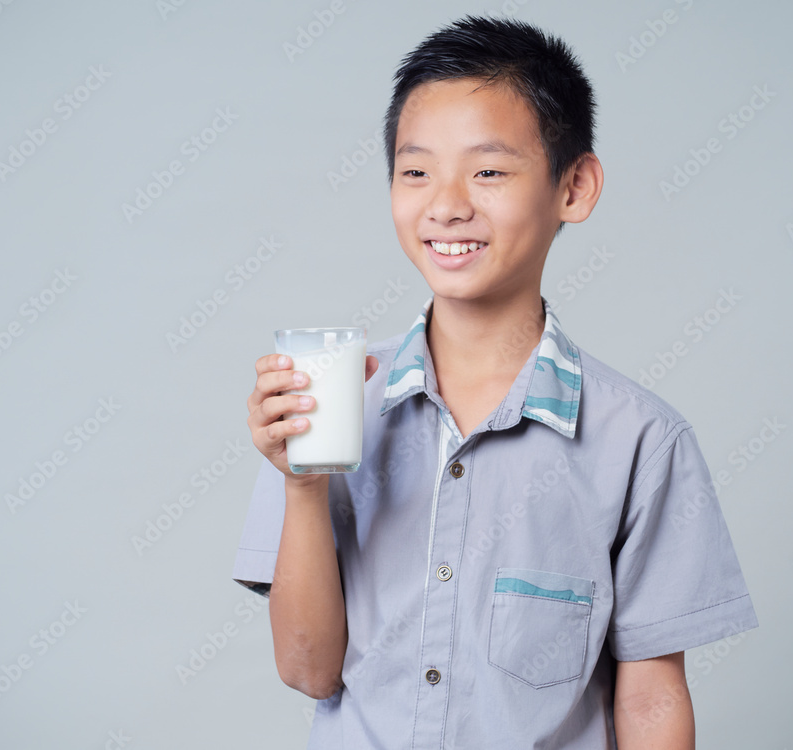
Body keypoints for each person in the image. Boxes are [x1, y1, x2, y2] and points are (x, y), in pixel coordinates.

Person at [233, 14, 757, 749]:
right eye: (415, 171)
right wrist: (302, 484)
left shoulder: (640, 440)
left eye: (488, 170)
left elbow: (651, 699)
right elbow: (308, 669)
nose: (446, 204)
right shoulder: (327, 407)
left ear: (573, 187)